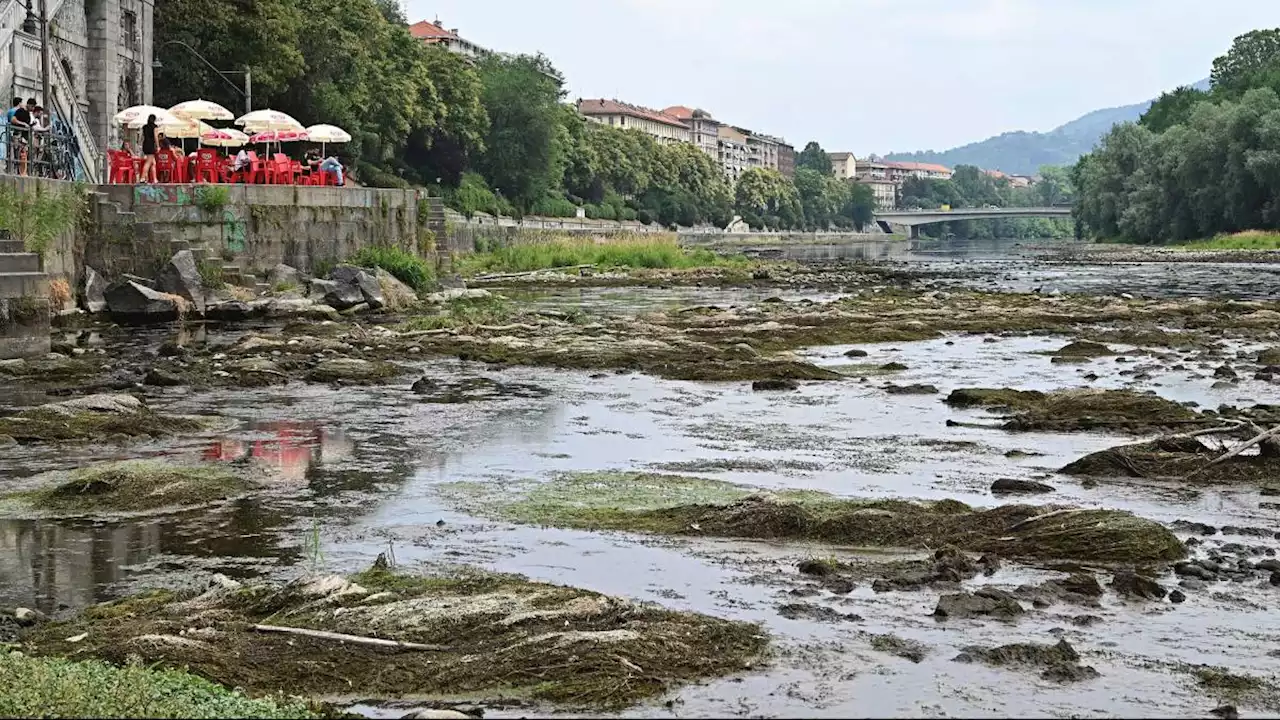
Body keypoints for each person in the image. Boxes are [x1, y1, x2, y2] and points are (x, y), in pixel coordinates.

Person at [140, 114, 159, 183]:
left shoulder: (144, 127)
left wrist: (140, 144)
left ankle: (155, 179)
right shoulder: (155, 127)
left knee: (153, 163)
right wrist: (158, 146)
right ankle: (142, 178)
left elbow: (141, 137)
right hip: (151, 145)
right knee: (148, 162)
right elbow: (156, 137)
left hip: (145, 144)